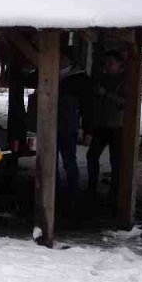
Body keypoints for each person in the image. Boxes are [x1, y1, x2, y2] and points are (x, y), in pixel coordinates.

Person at [85, 51, 126, 205]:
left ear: (120, 65)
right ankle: (91, 187)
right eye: (105, 63)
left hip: (118, 126)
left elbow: (127, 103)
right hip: (101, 126)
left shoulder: (126, 81)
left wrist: (107, 94)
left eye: (110, 63)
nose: (107, 66)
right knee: (92, 155)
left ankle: (115, 192)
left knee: (116, 161)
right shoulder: (102, 79)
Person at [55, 52, 94, 196]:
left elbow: (88, 108)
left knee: (69, 159)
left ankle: (72, 191)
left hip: (68, 125)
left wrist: (88, 130)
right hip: (52, 124)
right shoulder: (52, 73)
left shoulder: (82, 80)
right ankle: (53, 188)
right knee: (51, 160)